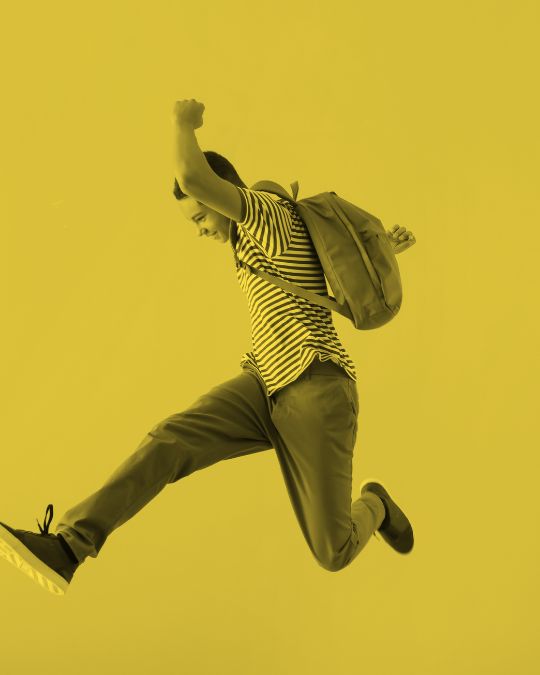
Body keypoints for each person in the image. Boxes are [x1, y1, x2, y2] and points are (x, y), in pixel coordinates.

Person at [0, 99, 416, 596]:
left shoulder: (265, 213)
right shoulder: (257, 238)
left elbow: (193, 176)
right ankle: (69, 546)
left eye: (200, 217)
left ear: (226, 195)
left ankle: (376, 505)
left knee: (333, 551)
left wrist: (182, 123)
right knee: (170, 440)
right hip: (263, 385)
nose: (200, 230)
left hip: (315, 388)